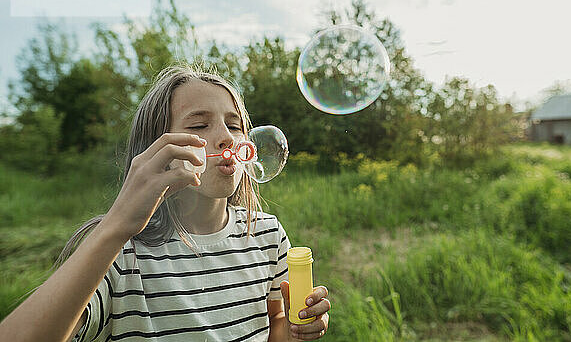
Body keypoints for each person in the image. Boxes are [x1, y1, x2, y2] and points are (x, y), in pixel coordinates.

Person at [0, 63, 331, 342]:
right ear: (157, 149)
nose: (227, 137)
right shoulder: (121, 252)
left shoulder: (267, 234)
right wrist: (116, 227)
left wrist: (292, 330)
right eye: (199, 125)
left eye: (234, 125)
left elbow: (274, 324)